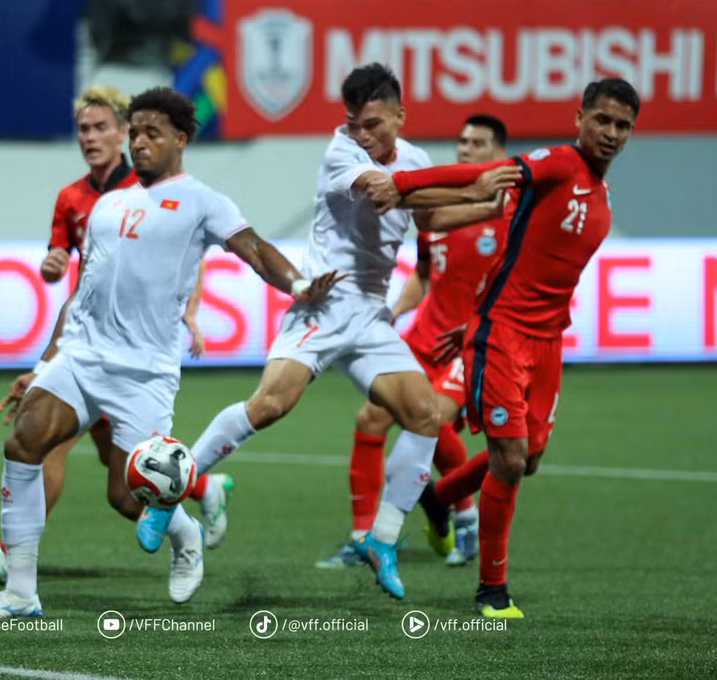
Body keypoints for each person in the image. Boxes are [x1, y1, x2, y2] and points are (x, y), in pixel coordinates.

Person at [139, 64, 521, 601]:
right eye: (353, 123)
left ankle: (382, 539)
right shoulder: (342, 153)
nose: (361, 135)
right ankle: (167, 498)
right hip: (321, 302)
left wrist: (486, 205)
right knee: (270, 405)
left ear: (399, 117)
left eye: (373, 125)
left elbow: (427, 221)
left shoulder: (415, 159)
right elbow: (387, 194)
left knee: (427, 415)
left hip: (368, 314)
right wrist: (475, 184)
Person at [0, 88, 342, 620]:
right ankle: (21, 593)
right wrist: (48, 360)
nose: (139, 143)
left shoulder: (203, 201)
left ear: (180, 139)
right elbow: (82, 289)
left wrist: (298, 283)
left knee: (126, 496)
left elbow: (254, 248)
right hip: (83, 355)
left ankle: (185, 538)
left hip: (143, 373)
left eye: (152, 134)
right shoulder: (106, 204)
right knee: (24, 441)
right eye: (135, 133)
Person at [369, 78, 640, 618]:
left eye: (622, 125)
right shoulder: (559, 164)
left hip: (547, 342)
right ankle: (492, 590)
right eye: (602, 120)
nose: (610, 133)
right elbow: (479, 176)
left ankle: (436, 496)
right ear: (579, 118)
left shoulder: (601, 193)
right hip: (504, 335)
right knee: (509, 460)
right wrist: (401, 183)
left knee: (529, 459)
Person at [0, 87, 229, 585]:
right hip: (89, 348)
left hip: (137, 357)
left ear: (125, 133)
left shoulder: (149, 184)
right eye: (84, 129)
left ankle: (198, 496)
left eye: (102, 127)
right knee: (46, 445)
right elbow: (69, 276)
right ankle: (14, 564)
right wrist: (49, 268)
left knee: (125, 492)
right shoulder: (73, 198)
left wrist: (190, 313)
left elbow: (190, 254)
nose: (91, 137)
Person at [317, 114, 509, 572]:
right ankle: (362, 536)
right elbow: (424, 274)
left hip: (470, 342)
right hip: (425, 337)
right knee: (372, 417)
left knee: (432, 418)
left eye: (477, 143)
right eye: (462, 141)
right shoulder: (438, 212)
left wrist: (486, 325)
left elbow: (516, 282)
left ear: (498, 154)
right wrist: (399, 310)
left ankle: (464, 519)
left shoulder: (506, 212)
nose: (465, 150)